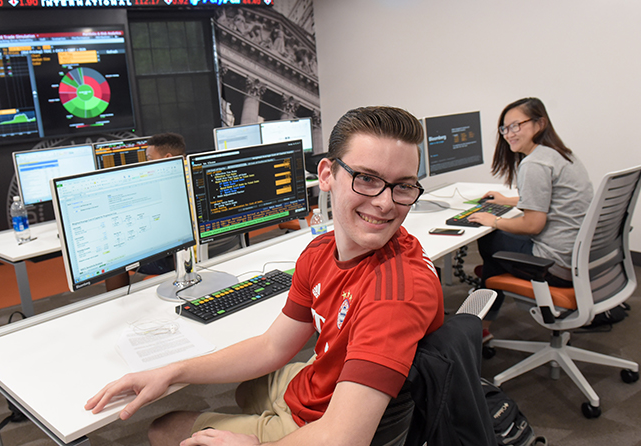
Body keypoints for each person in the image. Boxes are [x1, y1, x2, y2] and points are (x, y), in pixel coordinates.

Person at [85, 106, 445, 446]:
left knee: (165, 429)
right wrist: (173, 371)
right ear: (326, 175)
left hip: (322, 422)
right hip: (318, 383)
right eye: (366, 179)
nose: (385, 202)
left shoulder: (395, 293)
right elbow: (273, 345)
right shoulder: (320, 250)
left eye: (403, 186)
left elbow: (343, 437)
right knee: (246, 390)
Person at [467, 97, 593, 341]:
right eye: (505, 128)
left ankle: (482, 318)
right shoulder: (560, 154)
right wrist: (506, 201)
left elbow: (533, 224)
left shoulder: (535, 163)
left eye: (517, 125)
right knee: (499, 247)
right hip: (577, 257)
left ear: (539, 124)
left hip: (554, 265)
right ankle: (488, 302)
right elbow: (551, 200)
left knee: (491, 241)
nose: (509, 134)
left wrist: (491, 221)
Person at [105, 132, 187, 292]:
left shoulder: (162, 186)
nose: (146, 163)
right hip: (215, 252)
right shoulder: (196, 171)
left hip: (180, 259)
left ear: (167, 157)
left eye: (149, 159)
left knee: (113, 258)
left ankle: (116, 302)